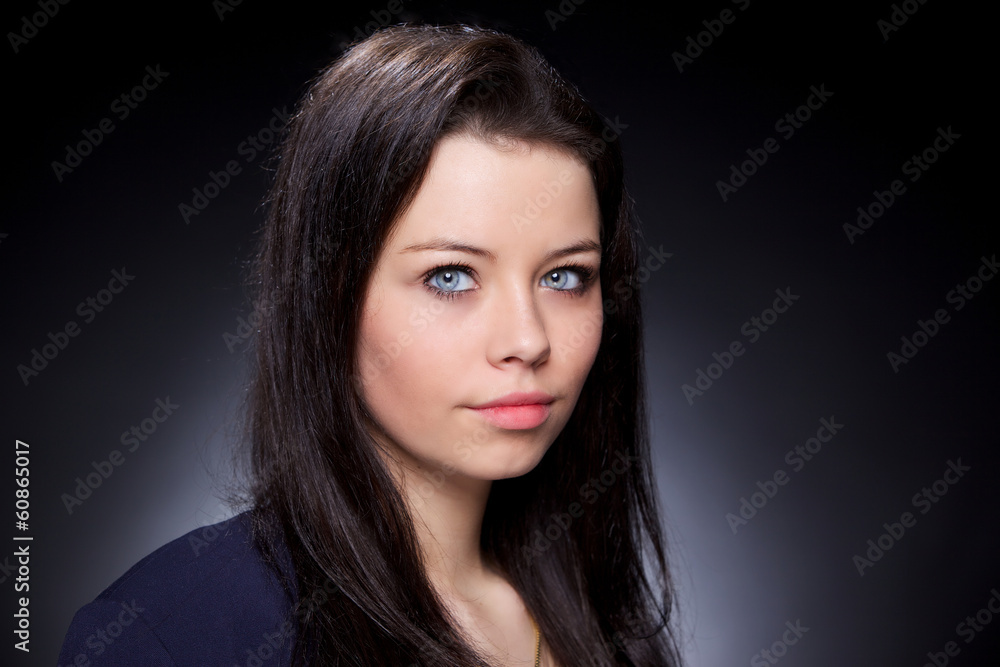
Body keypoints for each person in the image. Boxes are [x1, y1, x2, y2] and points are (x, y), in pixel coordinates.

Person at [58, 24, 681, 666]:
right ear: (330, 295)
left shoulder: (600, 618)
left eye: (564, 277)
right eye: (450, 276)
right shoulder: (168, 636)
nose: (528, 340)